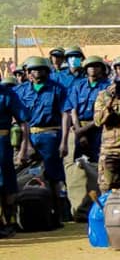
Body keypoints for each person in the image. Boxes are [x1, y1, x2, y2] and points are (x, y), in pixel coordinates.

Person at [13, 56, 71, 206]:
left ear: (47, 71)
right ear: (28, 72)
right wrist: (25, 145)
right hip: (27, 137)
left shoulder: (58, 89)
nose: (36, 73)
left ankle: (57, 210)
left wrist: (64, 142)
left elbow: (66, 114)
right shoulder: (20, 91)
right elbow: (17, 118)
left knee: (54, 176)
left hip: (50, 136)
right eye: (33, 70)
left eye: (40, 69)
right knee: (21, 171)